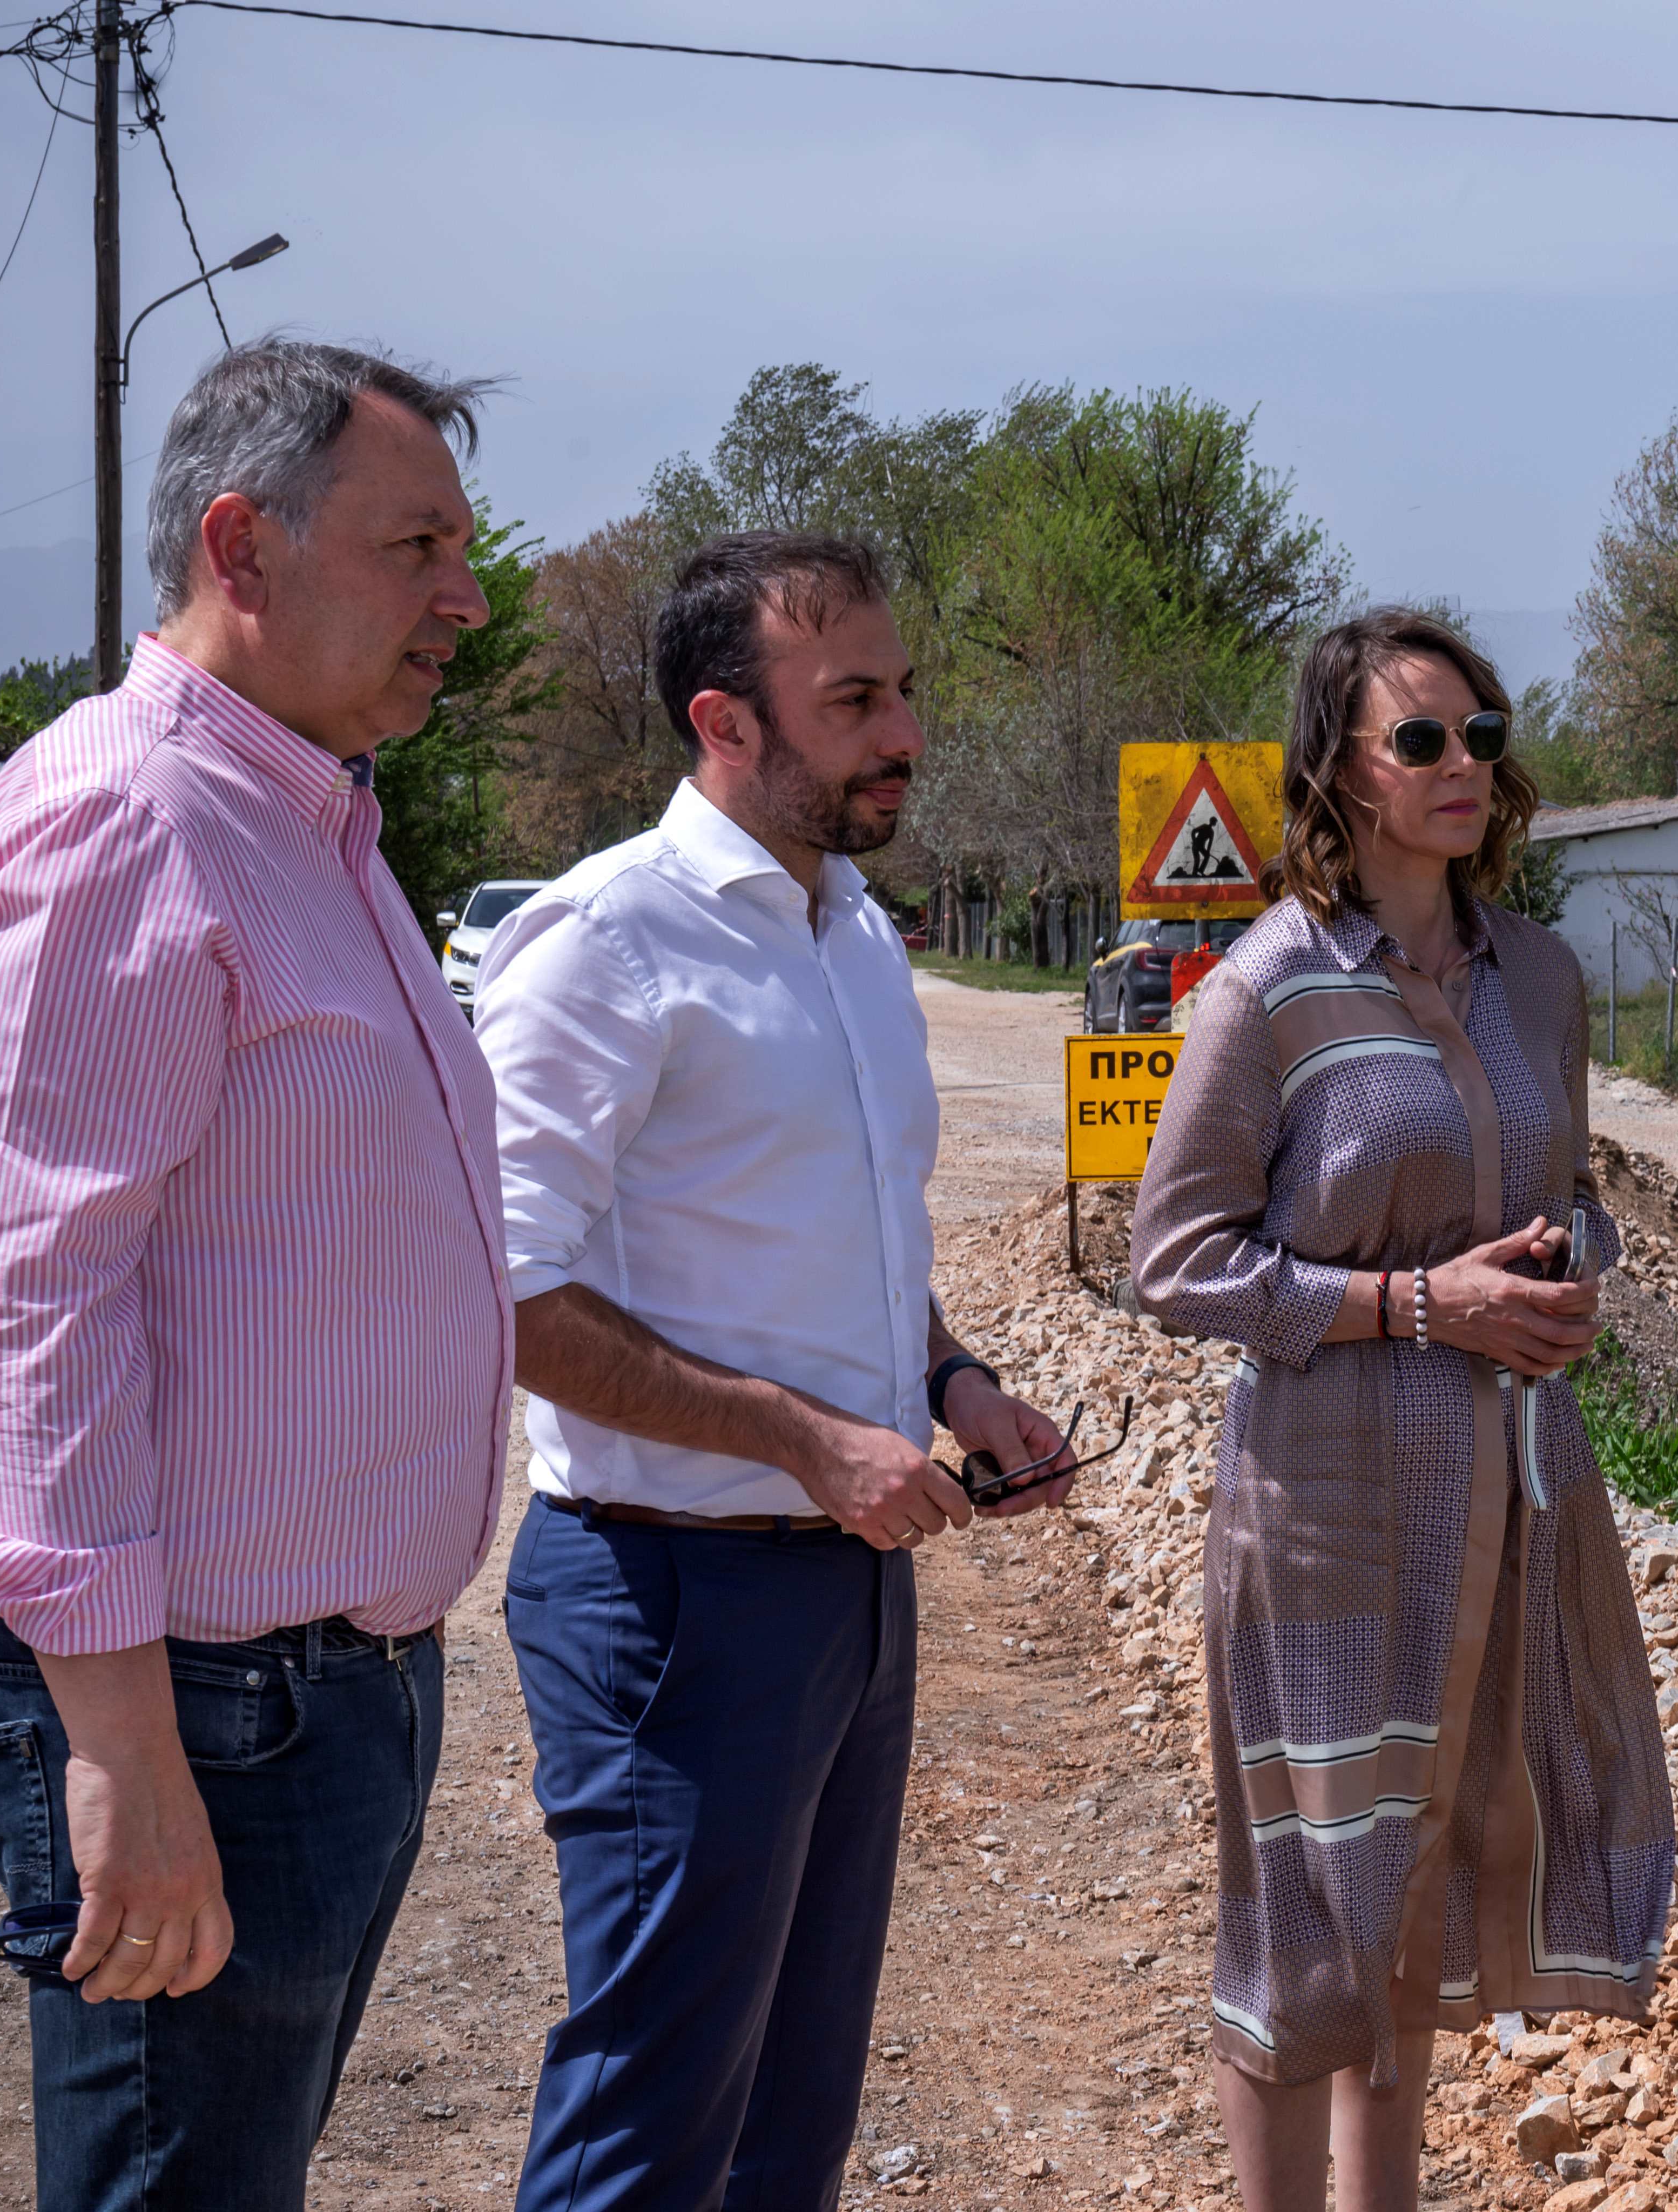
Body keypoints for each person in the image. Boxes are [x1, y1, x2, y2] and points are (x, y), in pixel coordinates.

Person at [0, 339, 513, 2208]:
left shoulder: (304, 819)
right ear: (243, 546)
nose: (465, 603)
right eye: (419, 548)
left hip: (319, 1691)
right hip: (196, 1704)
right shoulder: (128, 820)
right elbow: (31, 1308)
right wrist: (123, 1751)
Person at [474, 530, 1073, 2211]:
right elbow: (502, 1290)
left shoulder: (856, 934)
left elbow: (855, 1255)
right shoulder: (604, 944)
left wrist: (953, 1388)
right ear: (724, 723)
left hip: (845, 1600)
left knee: (789, 2121)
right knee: (655, 2117)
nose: (908, 735)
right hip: (670, 1600)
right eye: (858, 699)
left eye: (909, 691)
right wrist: (809, 1443)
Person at [1130, 608, 1678, 2212]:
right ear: (1341, 774)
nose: (1463, 767)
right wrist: (1423, 1302)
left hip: (1507, 1497)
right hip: (1325, 1508)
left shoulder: (1542, 978)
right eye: (1421, 739)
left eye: (1483, 735)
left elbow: (1571, 1189)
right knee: (1308, 1907)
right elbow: (1175, 1265)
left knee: (1420, 1890)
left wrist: (1573, 1268)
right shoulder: (1270, 992)